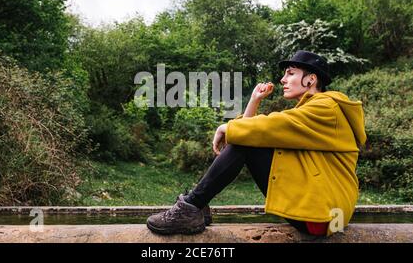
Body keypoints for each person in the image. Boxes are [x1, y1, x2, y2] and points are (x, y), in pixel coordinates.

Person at [146, 50, 367, 237]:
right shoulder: (311, 111)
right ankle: (195, 207)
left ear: (311, 79)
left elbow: (271, 126)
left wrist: (226, 128)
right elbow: (259, 132)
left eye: (290, 73)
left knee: (247, 142)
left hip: (325, 217)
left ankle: (191, 207)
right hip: (326, 212)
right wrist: (254, 101)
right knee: (249, 139)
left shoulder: (326, 108)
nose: (283, 80)